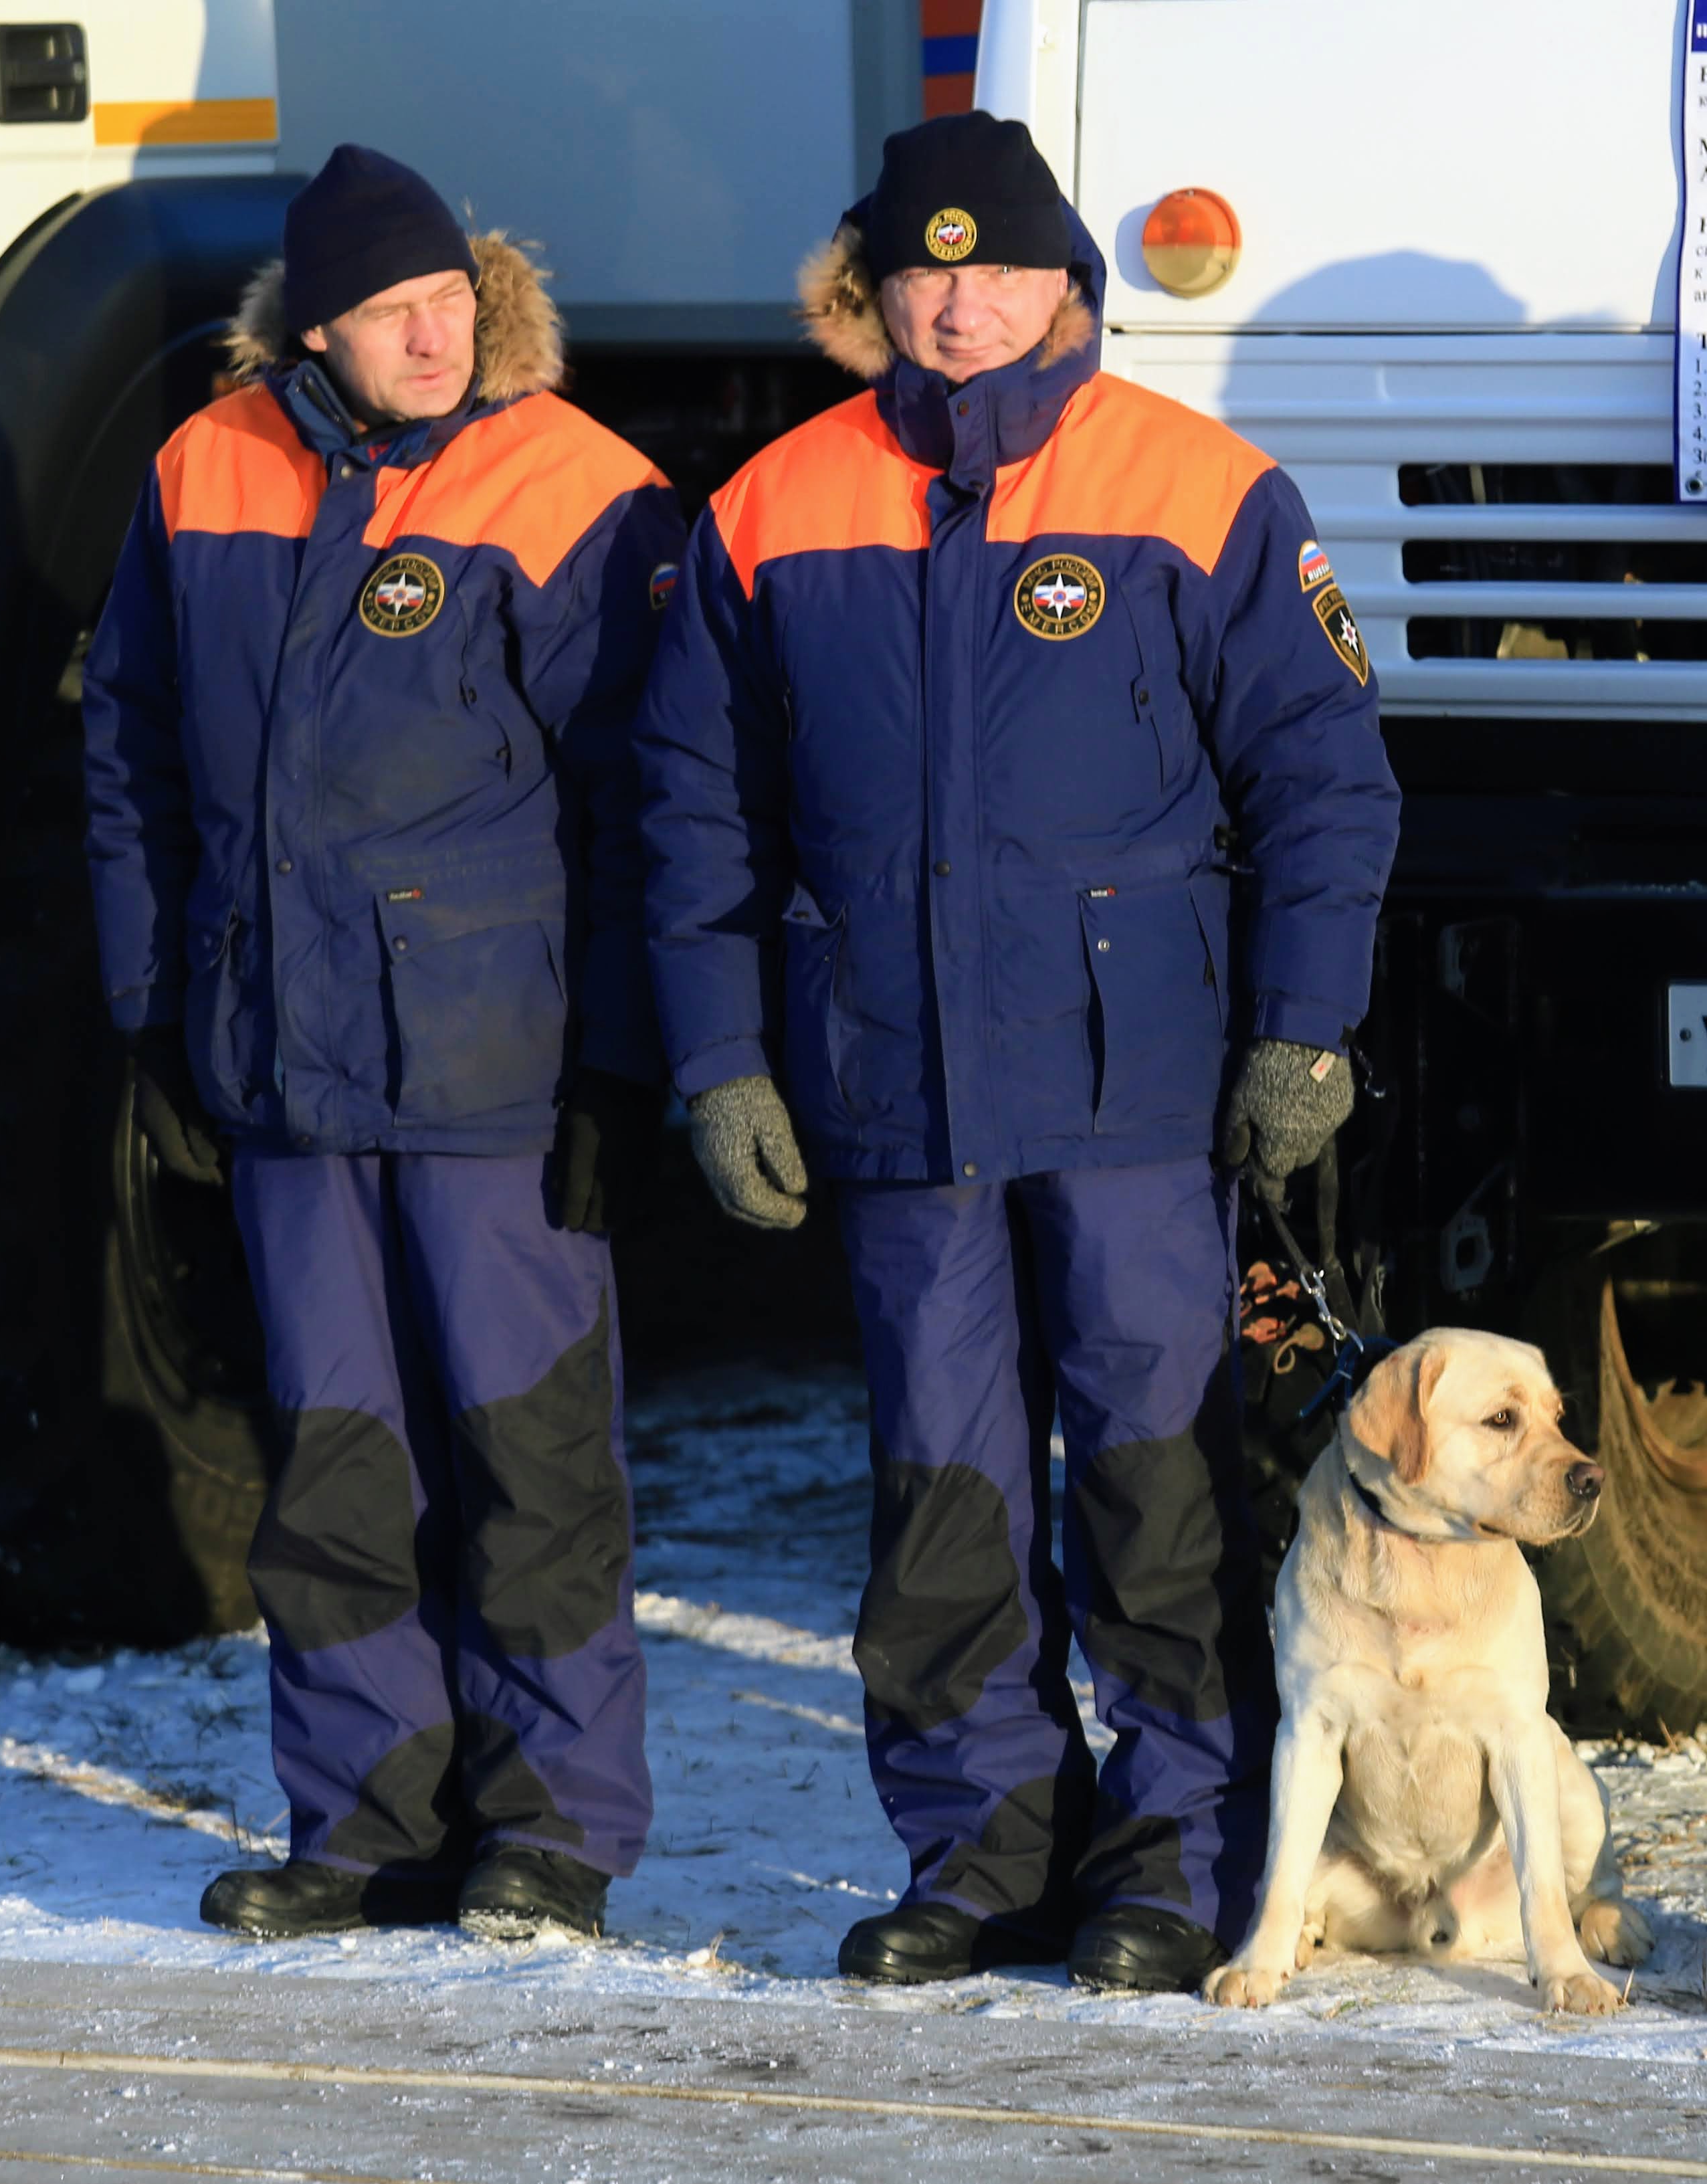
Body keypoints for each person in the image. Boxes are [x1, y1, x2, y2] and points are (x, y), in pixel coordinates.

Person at [633, 114, 1398, 1995]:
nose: (958, 305)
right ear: (872, 292)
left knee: (1155, 1477)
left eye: (996, 270)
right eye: (921, 271)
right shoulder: (772, 506)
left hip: (1134, 1088)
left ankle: (1174, 1858)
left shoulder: (1200, 487)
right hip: (895, 1091)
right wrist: (720, 1056)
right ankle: (978, 1850)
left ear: (1069, 282)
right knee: (940, 1486)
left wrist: (1303, 1027)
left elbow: (1322, 780)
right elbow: (694, 808)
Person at [82, 144, 685, 1944]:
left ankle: (550, 1832)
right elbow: (129, 753)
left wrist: (624, 1062)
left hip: (498, 1069)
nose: (433, 339)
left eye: (449, 303)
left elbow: (649, 798)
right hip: (284, 1058)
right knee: (336, 1455)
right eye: (390, 312)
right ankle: (364, 1823)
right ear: (315, 330)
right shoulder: (204, 465)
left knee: (528, 1455)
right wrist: (153, 1016)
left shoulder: (578, 484)